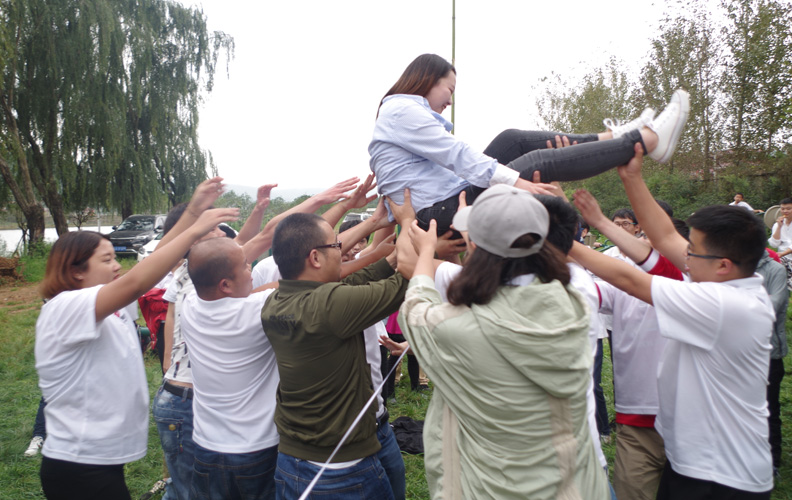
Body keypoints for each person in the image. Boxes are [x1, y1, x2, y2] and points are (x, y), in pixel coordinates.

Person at [569, 145, 774, 499]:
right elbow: (663, 238)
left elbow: (631, 280)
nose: (684, 257)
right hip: (695, 462)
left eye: (691, 251)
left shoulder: (725, 304)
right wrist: (631, 175)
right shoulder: (724, 277)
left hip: (720, 476)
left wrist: (558, 239)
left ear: (723, 263)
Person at [395, 184, 610, 499]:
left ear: (476, 244)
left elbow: (416, 309)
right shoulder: (573, 303)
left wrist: (427, 249)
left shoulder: (457, 328)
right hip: (573, 485)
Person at [34, 177, 237, 500]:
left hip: (99, 462)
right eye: (106, 260)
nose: (117, 266)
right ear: (75, 272)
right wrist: (197, 230)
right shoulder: (64, 308)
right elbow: (137, 280)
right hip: (78, 464)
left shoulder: (105, 303)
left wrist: (193, 211)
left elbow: (155, 261)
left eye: (115, 257)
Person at [369, 53, 689, 234]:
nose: (450, 101)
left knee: (511, 140)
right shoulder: (401, 110)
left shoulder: (400, 113)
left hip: (443, 201)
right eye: (449, 90)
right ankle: (647, 140)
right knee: (535, 165)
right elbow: (456, 155)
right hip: (436, 213)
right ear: (427, 80)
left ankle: (613, 136)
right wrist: (517, 182)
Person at [260, 205, 408, 499]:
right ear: (315, 257)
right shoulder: (328, 305)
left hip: (297, 454)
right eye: (336, 245)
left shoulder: (276, 301)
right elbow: (404, 286)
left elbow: (349, 283)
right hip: (342, 469)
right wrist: (422, 244)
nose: (341, 250)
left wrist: (390, 259)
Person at [179, 237, 280, 500]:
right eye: (246, 266)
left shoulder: (189, 304)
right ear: (225, 284)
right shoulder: (258, 311)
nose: (251, 270)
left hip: (206, 445)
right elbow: (304, 279)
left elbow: (215, 267)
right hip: (257, 448)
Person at [754, 250, 789, 475]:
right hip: (739, 351)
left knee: (769, 407)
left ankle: (772, 460)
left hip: (769, 352)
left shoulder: (774, 269)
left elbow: (774, 305)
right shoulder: (732, 265)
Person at [768, 197, 792, 290]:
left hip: (784, 255)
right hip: (782, 258)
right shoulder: (777, 224)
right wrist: (779, 227)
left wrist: (782, 254)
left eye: (788, 209)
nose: (785, 211)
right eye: (783, 209)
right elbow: (774, 244)